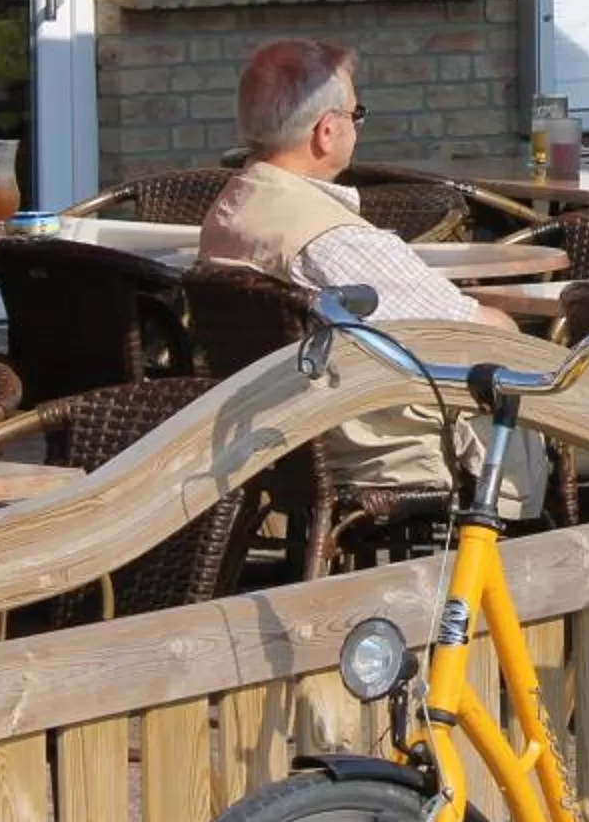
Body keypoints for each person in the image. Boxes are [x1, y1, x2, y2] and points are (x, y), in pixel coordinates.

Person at [198, 39, 541, 514]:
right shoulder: (332, 238)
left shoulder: (231, 210)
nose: (357, 129)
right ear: (326, 130)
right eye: (357, 116)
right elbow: (474, 331)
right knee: (537, 374)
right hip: (373, 447)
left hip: (278, 436)